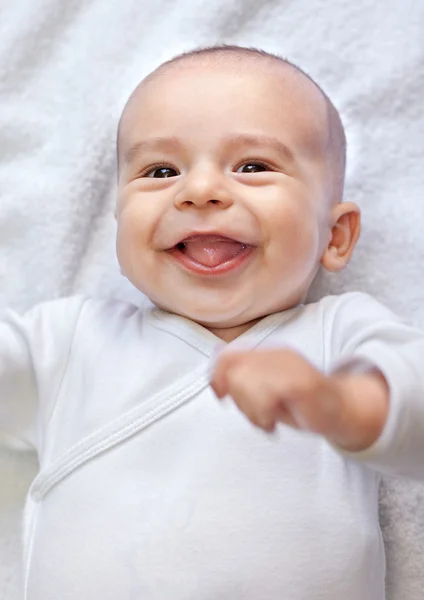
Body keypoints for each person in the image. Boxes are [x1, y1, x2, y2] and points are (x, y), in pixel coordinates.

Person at [1, 45, 423, 600]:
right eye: (161, 170)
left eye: (253, 166)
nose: (199, 191)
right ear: (119, 225)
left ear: (335, 235)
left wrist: (341, 404)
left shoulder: (339, 335)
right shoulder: (70, 341)